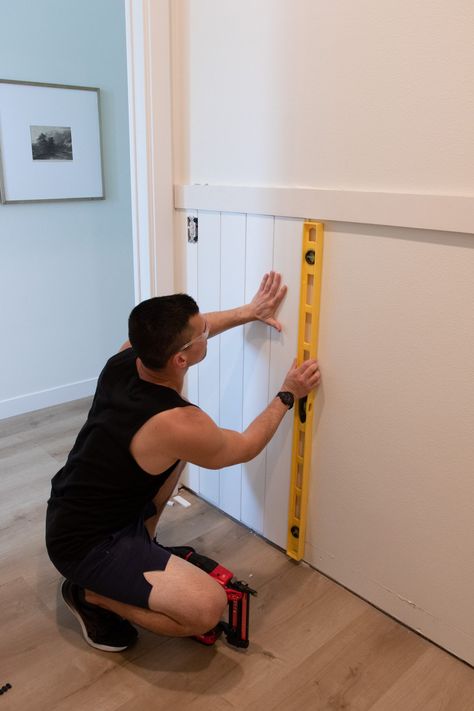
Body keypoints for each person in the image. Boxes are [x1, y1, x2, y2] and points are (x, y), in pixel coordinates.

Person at [45, 271, 321, 652]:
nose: (208, 328)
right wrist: (288, 394)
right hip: (86, 544)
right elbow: (244, 447)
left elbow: (194, 331)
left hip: (71, 508)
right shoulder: (178, 424)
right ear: (180, 358)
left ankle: (139, 547)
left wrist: (249, 311)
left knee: (172, 460)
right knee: (207, 609)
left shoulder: (127, 356)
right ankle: (89, 594)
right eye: (202, 332)